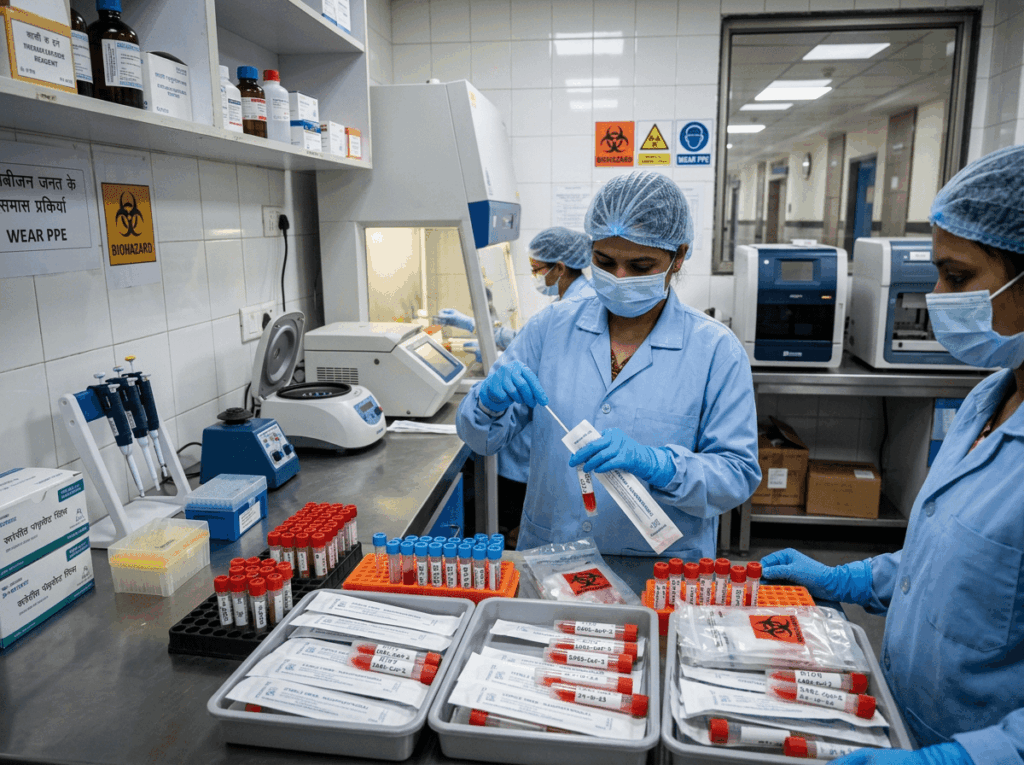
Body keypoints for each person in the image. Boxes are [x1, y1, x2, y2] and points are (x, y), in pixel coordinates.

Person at [760, 145, 1024, 765]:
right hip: (901, 715)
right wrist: (852, 579)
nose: (936, 298)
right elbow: (956, 557)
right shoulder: (991, 395)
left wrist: (960, 761)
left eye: (957, 278)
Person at [456, 171, 761, 574]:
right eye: (605, 261)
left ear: (679, 256)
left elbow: (737, 474)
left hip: (660, 572)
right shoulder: (550, 329)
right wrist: (487, 402)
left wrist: (661, 465)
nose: (619, 278)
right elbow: (481, 437)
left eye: (640, 265)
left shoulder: (716, 352)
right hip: (552, 557)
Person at [439, 227, 595, 544]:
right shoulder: (564, 306)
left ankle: (508, 535)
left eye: (538, 270)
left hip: (539, 457)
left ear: (560, 268)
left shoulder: (576, 308)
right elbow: (530, 341)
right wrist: (473, 326)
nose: (536, 277)